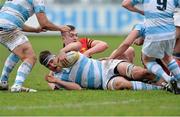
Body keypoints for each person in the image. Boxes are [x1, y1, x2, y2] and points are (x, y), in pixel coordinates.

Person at [0, 0, 70, 92]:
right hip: (9, 28)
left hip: (4, 26)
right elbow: (44, 23)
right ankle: (17, 86)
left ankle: (3, 82)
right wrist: (60, 28)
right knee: (30, 57)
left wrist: (35, 30)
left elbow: (15, 20)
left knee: (18, 52)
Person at [38, 50, 172, 91]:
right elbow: (77, 88)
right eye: (47, 65)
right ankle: (164, 88)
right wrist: (55, 81)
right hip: (104, 82)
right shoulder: (59, 78)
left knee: (141, 73)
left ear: (55, 57)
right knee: (122, 84)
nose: (51, 65)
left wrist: (62, 52)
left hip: (106, 66)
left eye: (51, 60)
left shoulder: (67, 57)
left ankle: (170, 80)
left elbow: (77, 48)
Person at [122, 0, 180, 94]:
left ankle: (167, 79)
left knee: (147, 59)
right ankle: (177, 81)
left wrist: (141, 11)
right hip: (170, 31)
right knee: (168, 57)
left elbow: (125, 4)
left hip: (156, 33)